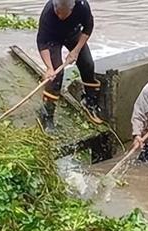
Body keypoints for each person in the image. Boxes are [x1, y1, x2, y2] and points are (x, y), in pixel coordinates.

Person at [36, 0, 102, 133]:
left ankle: (89, 101)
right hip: (52, 39)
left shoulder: (82, 6)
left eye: (64, 14)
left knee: (87, 64)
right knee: (56, 75)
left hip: (73, 33)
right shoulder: (48, 13)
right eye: (58, 13)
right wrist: (49, 68)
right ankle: (46, 114)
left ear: (72, 9)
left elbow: (88, 28)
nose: (60, 16)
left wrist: (76, 50)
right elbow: (42, 42)